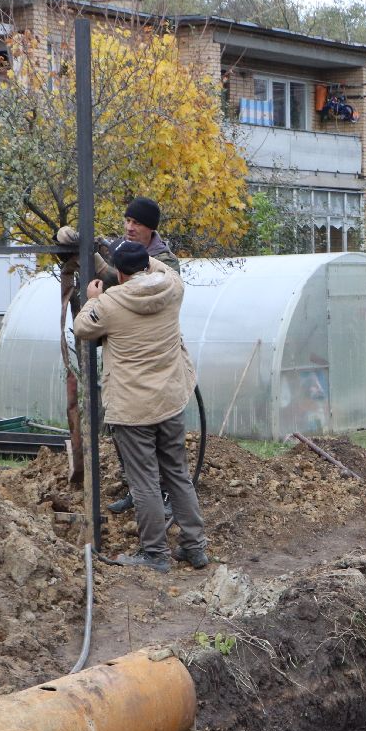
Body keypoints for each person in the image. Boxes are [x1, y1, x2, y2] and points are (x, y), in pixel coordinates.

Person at [72, 239, 209, 573]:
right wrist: (140, 257)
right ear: (146, 266)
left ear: (119, 274)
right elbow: (157, 267)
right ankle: (195, 548)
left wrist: (92, 299)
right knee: (177, 475)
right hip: (170, 401)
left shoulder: (109, 304)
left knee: (145, 483)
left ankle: (155, 554)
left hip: (133, 409)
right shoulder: (173, 288)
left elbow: (82, 328)